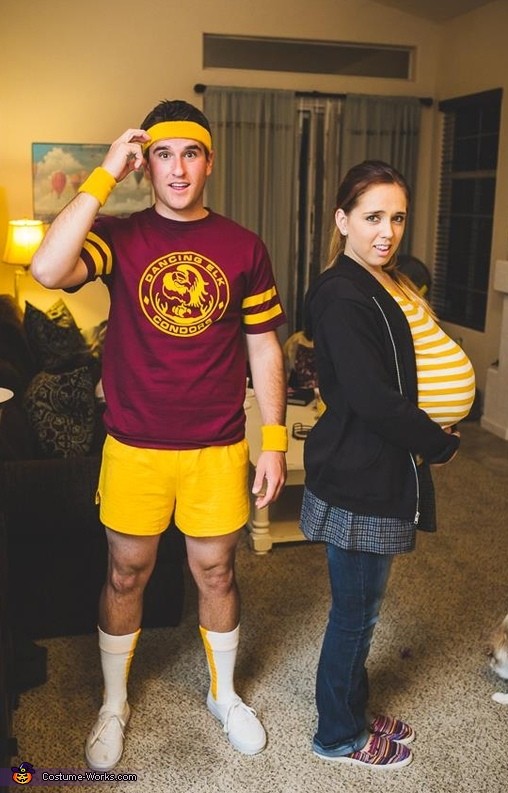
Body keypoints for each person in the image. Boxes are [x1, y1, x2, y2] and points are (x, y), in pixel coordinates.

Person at [31, 99, 288, 771]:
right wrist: (104, 174)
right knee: (126, 573)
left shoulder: (243, 246)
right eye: (164, 155)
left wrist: (276, 438)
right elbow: (47, 270)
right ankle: (114, 702)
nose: (178, 169)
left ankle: (223, 694)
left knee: (217, 570)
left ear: (209, 162)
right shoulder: (118, 235)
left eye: (191, 154)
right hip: (135, 446)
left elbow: (264, 345)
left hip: (217, 446)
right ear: (147, 165)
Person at [300, 160, 475, 769]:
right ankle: (338, 735)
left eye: (397, 218)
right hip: (359, 476)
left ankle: (353, 708)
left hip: (380, 466)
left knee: (362, 611)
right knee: (355, 615)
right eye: (373, 217)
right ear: (342, 220)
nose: (387, 232)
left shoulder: (381, 279)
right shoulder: (342, 294)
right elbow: (373, 398)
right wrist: (438, 443)